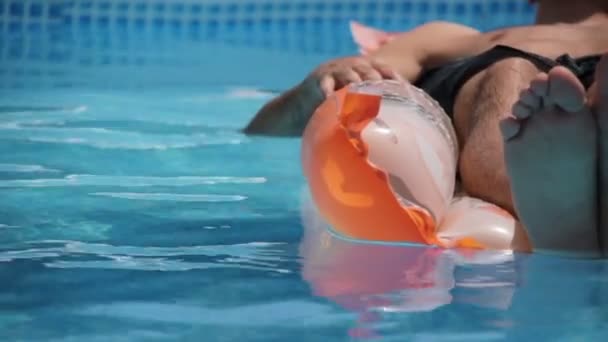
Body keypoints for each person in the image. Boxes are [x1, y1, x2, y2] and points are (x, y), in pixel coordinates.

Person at [243, 0, 608, 257]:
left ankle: (568, 199)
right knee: (509, 73)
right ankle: (545, 199)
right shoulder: (446, 36)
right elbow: (264, 130)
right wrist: (317, 87)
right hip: (502, 71)